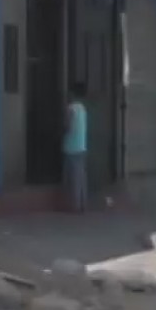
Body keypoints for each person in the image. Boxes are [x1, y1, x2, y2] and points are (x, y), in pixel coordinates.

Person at [64, 82, 89, 213]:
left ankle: (74, 206)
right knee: (81, 177)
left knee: (72, 178)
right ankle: (82, 204)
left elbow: (67, 127)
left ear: (72, 94)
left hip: (71, 147)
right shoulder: (83, 109)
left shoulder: (71, 108)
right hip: (82, 146)